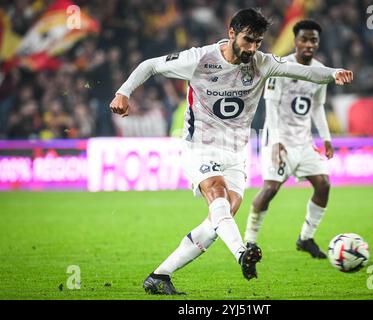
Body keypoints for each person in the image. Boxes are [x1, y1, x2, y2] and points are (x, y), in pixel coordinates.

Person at [110, 8, 353, 295]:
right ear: (231, 33)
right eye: (248, 40)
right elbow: (150, 65)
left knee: (219, 220)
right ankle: (242, 252)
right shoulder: (200, 59)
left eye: (258, 42)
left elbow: (303, 70)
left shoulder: (262, 63)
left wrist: (333, 73)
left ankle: (160, 275)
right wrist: (123, 92)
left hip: (237, 152)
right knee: (217, 193)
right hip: (199, 146)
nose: (252, 48)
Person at [244, 20, 333, 259]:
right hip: (278, 139)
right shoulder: (280, 66)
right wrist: (276, 141)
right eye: (304, 39)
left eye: (313, 40)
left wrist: (325, 138)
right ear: (295, 41)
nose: (308, 44)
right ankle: (249, 241)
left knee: (323, 184)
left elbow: (317, 106)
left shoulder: (320, 70)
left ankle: (306, 238)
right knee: (270, 189)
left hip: (304, 142)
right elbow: (270, 105)